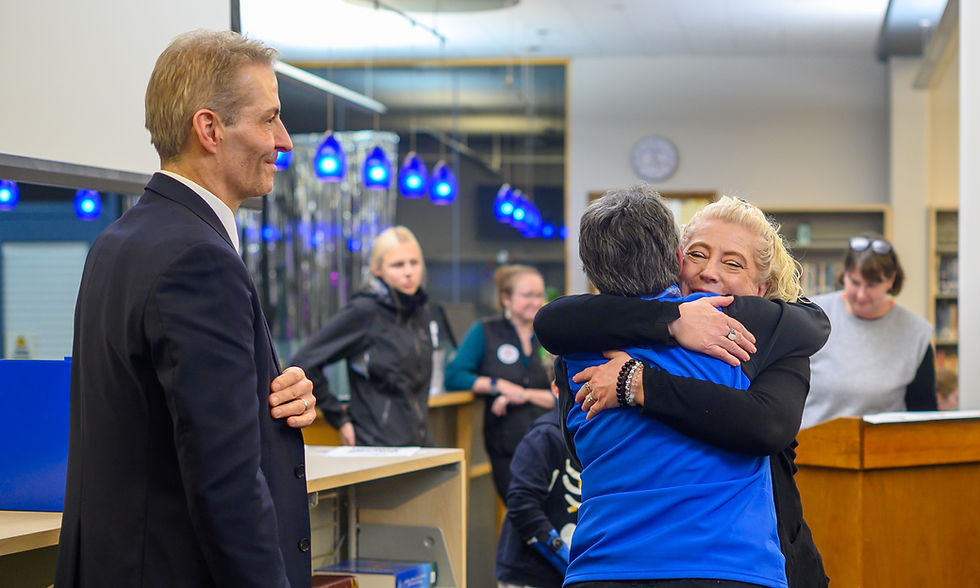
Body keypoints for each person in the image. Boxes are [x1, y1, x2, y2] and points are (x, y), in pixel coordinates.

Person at [56, 30, 317, 588]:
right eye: (269, 119)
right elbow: (224, 483)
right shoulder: (199, 260)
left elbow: (154, 412)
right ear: (210, 129)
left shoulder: (119, 241)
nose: (285, 140)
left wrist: (267, 396)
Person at [534, 193, 830, 588]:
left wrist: (637, 383)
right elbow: (552, 321)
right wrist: (671, 320)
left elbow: (768, 423)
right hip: (700, 563)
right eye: (698, 254)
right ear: (675, 259)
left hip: (732, 560)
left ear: (763, 289)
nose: (709, 272)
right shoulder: (590, 328)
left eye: (732, 262)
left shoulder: (754, 333)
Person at [291, 226, 437, 447]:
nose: (408, 272)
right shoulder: (365, 311)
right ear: (378, 269)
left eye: (414, 263)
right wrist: (339, 419)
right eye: (398, 265)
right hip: (376, 446)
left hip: (420, 444)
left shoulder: (420, 313)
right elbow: (303, 364)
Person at [801, 235, 937, 429]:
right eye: (855, 282)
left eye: (872, 285)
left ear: (891, 280)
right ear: (844, 274)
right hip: (812, 447)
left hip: (884, 451)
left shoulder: (916, 333)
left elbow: (924, 414)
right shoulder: (811, 315)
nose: (862, 294)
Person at [444, 264, 554, 499]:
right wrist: (499, 385)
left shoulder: (552, 335)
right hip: (506, 446)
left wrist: (523, 394)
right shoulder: (485, 332)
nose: (536, 302)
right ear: (506, 298)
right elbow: (454, 376)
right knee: (519, 511)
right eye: (527, 295)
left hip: (552, 443)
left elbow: (566, 393)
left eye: (539, 295)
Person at [495, 355, 580, 588]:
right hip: (530, 575)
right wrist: (564, 558)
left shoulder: (596, 437)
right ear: (556, 389)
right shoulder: (544, 436)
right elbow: (522, 503)